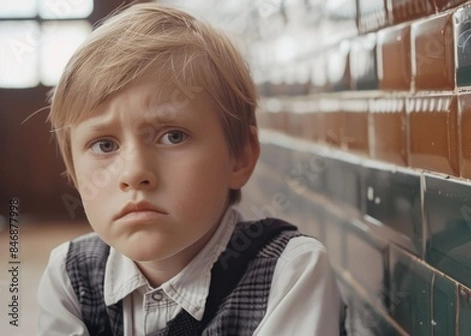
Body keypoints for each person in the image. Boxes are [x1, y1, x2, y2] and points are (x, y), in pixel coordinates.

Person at [38, 3, 345, 335]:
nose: (134, 173)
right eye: (104, 145)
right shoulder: (69, 277)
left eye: (172, 136)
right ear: (74, 173)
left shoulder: (289, 272)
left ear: (239, 157)